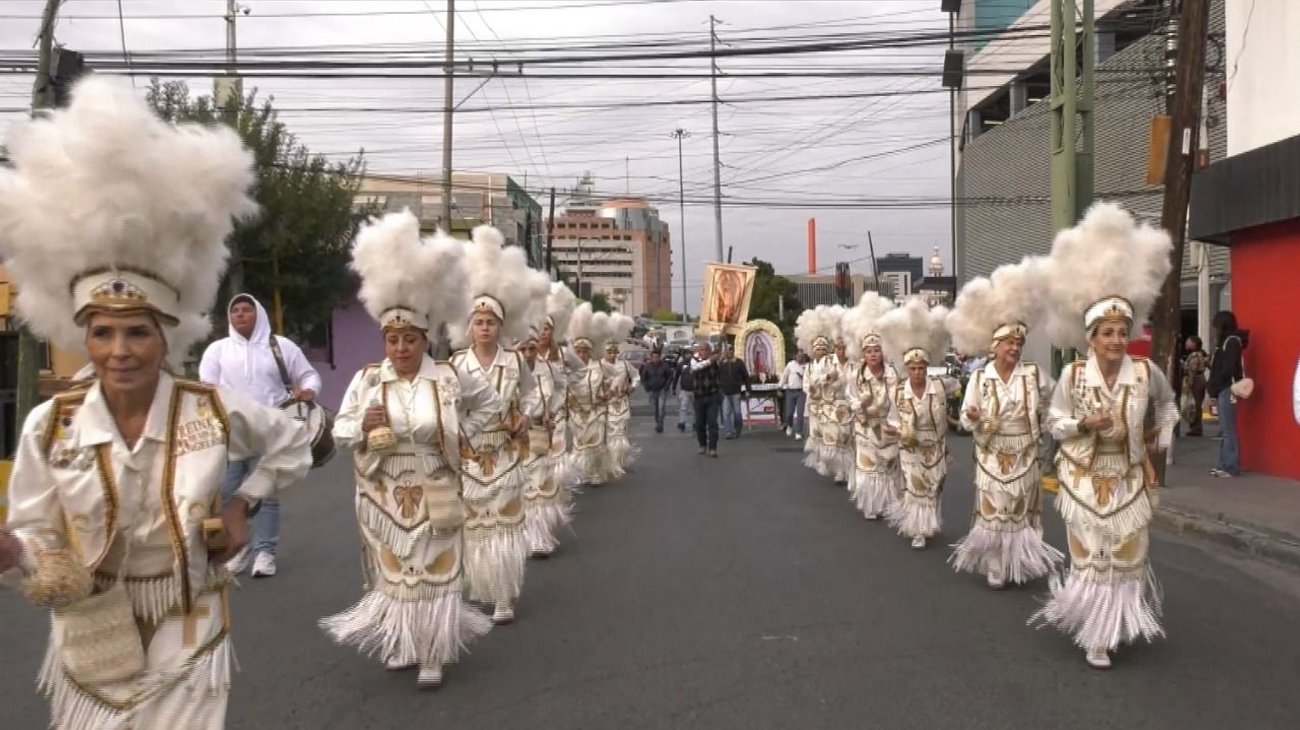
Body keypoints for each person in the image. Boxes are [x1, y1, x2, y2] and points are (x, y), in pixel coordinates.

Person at [0, 77, 312, 728]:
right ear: (81, 333)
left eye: (137, 331)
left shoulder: (210, 407)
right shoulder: (49, 426)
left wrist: (241, 503)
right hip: (91, 641)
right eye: (102, 332)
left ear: (165, 335)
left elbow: (293, 439)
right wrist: (19, 556)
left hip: (189, 633)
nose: (119, 350)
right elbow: (34, 529)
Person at [321, 211, 499, 688]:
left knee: (434, 571)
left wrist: (462, 437)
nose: (401, 348)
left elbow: (489, 404)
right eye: (393, 340)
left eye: (410, 340)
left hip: (435, 485)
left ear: (425, 340)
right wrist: (363, 423)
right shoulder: (366, 381)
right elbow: (339, 432)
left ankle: (433, 650)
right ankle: (402, 640)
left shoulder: (446, 377)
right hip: (381, 493)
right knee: (395, 572)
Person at [1031, 202, 1178, 670]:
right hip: (1082, 478)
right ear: (1091, 338)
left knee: (1127, 558)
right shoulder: (1073, 377)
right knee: (1092, 558)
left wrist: (1164, 440)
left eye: (1122, 331)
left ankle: (1113, 623)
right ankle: (1096, 633)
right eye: (1107, 333)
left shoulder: (1145, 373)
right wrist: (1083, 425)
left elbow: (1170, 406)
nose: (1116, 340)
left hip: (1131, 479)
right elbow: (1054, 424)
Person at [449, 225, 551, 626]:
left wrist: (524, 416)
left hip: (507, 452)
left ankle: (505, 594)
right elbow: (449, 407)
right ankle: (484, 588)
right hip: (473, 455)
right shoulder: (457, 364)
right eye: (479, 321)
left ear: (500, 325)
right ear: (470, 326)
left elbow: (529, 394)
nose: (485, 327)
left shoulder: (513, 361)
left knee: (505, 525)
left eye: (491, 321)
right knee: (477, 528)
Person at [946, 260, 1063, 589]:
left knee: (1020, 513)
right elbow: (969, 414)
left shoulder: (1034, 375)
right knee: (995, 512)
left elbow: (1057, 400)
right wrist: (974, 418)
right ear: (993, 346)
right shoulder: (980, 378)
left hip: (1026, 454)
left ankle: (1017, 561)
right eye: (1007, 343)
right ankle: (996, 562)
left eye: (1018, 343)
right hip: (992, 455)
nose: (1014, 347)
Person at [199, 293, 323, 579]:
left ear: (259, 315)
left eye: (247, 310)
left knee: (264, 494)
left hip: (271, 431)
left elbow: (309, 375)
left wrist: (309, 391)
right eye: (235, 311)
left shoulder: (281, 346)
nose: (241, 314)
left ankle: (265, 551)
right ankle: (240, 547)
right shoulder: (217, 351)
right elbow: (206, 389)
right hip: (230, 435)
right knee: (228, 494)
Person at [878, 297, 952, 549]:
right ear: (907, 369)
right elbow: (891, 421)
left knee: (934, 487)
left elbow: (958, 394)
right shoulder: (898, 392)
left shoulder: (940, 387)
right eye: (913, 368)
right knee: (915, 486)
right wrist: (901, 432)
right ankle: (916, 529)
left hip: (936, 445)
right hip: (910, 447)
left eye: (922, 368)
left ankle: (929, 522)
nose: (918, 372)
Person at [523, 283, 579, 558]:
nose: (542, 335)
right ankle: (527, 536)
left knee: (543, 485)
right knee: (525, 488)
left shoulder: (554, 364)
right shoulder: (515, 368)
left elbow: (565, 384)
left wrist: (555, 412)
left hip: (549, 430)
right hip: (521, 435)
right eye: (537, 332)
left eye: (546, 329)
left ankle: (540, 538)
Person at [842, 292, 899, 520]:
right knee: (867, 468)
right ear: (863, 355)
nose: (873, 354)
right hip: (864, 427)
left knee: (887, 467)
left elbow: (896, 400)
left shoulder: (891, 373)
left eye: (876, 350)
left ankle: (888, 504)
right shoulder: (857, 374)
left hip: (885, 426)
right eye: (869, 351)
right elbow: (850, 395)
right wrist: (860, 406)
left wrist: (893, 421)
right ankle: (869, 505)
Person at [565, 305, 618, 484]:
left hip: (596, 411)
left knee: (595, 445)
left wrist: (609, 392)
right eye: (578, 351)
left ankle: (595, 473)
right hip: (576, 412)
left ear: (590, 352)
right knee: (580, 446)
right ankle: (580, 474)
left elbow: (616, 377)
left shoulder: (599, 366)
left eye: (585, 351)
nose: (582, 354)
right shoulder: (568, 369)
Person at [1207, 311, 1248, 477]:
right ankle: (1224, 464)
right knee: (1225, 429)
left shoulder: (1231, 341)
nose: (1214, 329)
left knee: (1228, 429)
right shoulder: (1227, 341)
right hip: (1224, 388)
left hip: (1228, 388)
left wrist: (1216, 385)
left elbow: (1228, 368)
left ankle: (1230, 466)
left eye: (1216, 325)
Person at [600, 318, 640, 471]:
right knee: (608, 434)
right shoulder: (598, 366)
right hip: (605, 405)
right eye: (608, 352)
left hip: (622, 403)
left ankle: (620, 460)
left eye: (614, 352)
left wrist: (632, 386)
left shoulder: (623, 364)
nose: (612, 355)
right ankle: (609, 462)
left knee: (621, 433)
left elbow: (636, 376)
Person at [691, 342, 724, 457]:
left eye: (706, 350)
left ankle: (713, 448)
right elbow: (695, 368)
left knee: (712, 423)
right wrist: (710, 361)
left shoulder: (716, 362)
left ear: (709, 351)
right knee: (700, 423)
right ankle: (702, 445)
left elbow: (721, 368)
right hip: (699, 397)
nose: (703, 352)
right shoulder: (694, 361)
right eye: (701, 350)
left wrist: (718, 356)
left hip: (712, 396)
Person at [718, 345, 752, 439]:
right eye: (727, 351)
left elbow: (746, 376)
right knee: (726, 413)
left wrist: (748, 390)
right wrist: (719, 388)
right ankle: (728, 432)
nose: (728, 353)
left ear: (733, 352)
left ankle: (738, 428)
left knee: (737, 412)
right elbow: (717, 377)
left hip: (736, 391)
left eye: (730, 351)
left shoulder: (739, 362)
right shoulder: (721, 363)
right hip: (725, 392)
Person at [641, 348, 675, 433]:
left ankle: (660, 424)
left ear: (660, 357)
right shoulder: (647, 366)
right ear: (651, 358)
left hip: (662, 390)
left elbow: (670, 376)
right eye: (654, 357)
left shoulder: (665, 365)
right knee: (655, 408)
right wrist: (647, 386)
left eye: (657, 357)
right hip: (652, 390)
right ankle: (657, 422)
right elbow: (643, 378)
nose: (655, 359)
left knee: (661, 407)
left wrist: (667, 386)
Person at [1181, 335, 1209, 437]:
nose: (1186, 343)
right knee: (1197, 404)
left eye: (1188, 341)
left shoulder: (1194, 356)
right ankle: (1196, 427)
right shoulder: (1202, 354)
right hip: (1201, 379)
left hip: (1196, 380)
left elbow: (1192, 370)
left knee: (1195, 405)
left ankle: (1195, 428)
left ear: (1194, 344)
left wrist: (1189, 384)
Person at [778, 351, 808, 439]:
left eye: (802, 356)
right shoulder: (790, 365)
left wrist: (802, 377)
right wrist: (779, 387)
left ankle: (799, 432)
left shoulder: (807, 366)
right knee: (789, 413)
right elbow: (784, 376)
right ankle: (790, 425)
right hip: (790, 391)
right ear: (796, 356)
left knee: (800, 413)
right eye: (798, 356)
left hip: (801, 392)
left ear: (804, 357)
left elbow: (809, 379)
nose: (800, 358)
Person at [675, 348, 695, 432]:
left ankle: (696, 423)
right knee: (683, 407)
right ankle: (682, 423)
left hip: (695, 389)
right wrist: (673, 387)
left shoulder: (696, 363)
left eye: (690, 354)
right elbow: (676, 376)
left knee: (695, 408)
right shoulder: (680, 364)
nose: (688, 356)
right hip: (684, 389)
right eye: (687, 354)